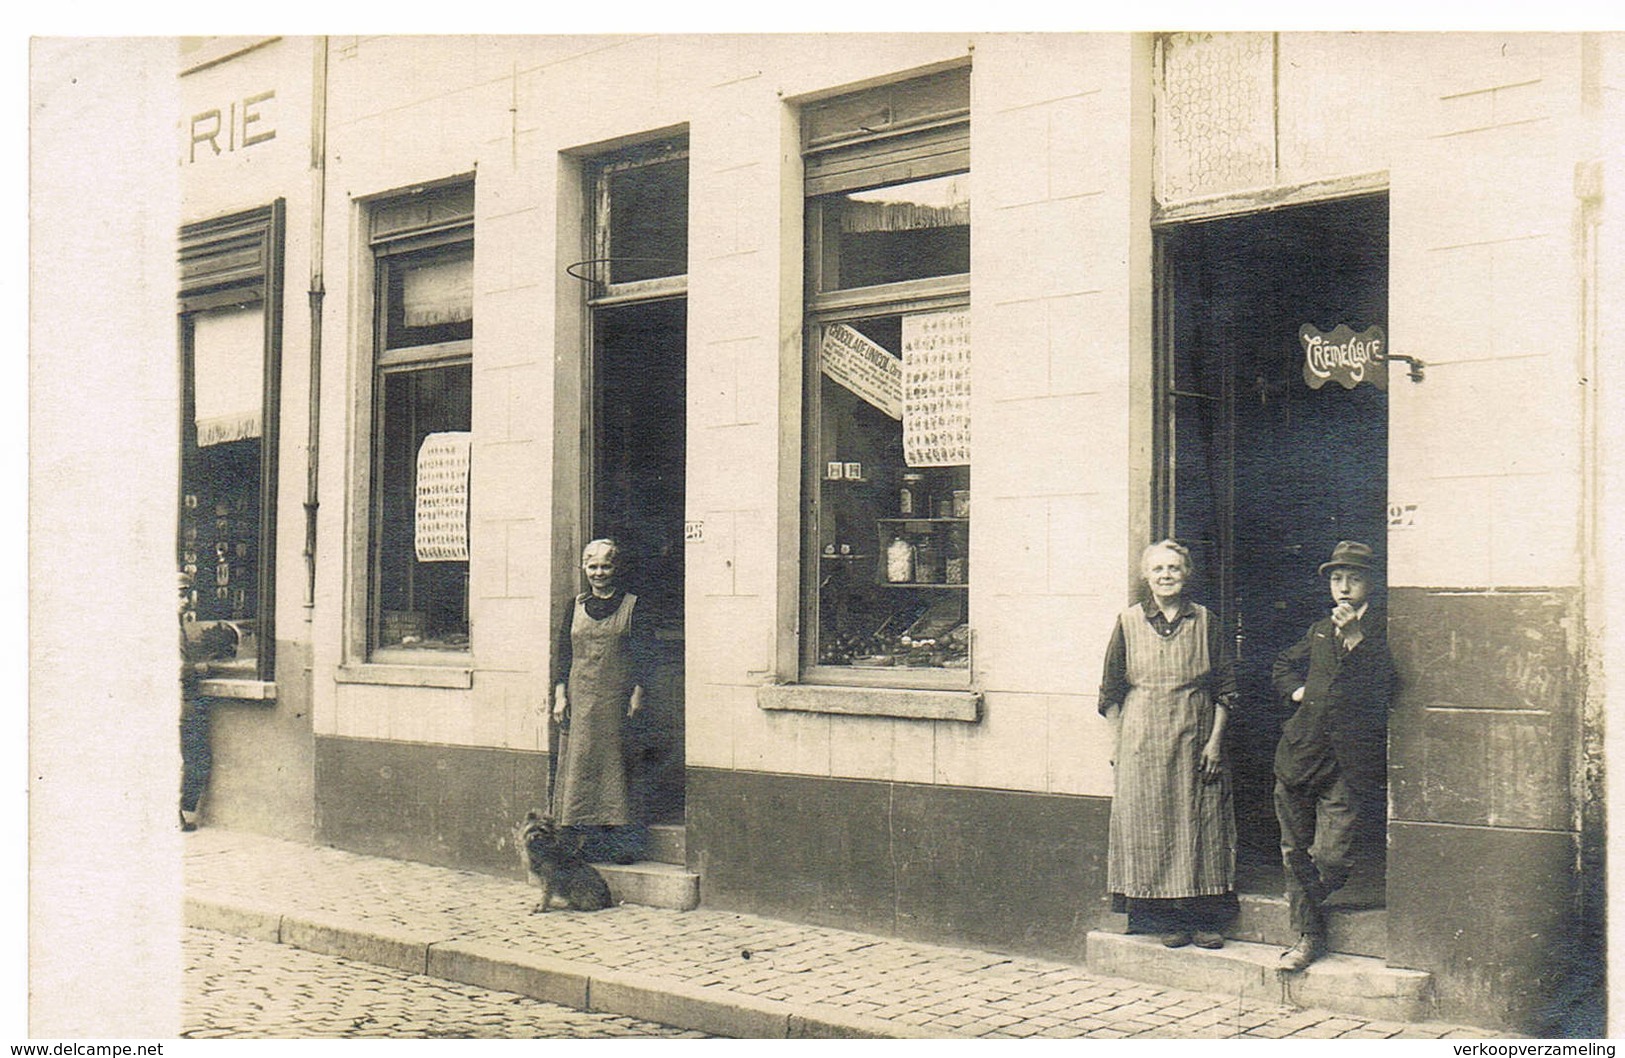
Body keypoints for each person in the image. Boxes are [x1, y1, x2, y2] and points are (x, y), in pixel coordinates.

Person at [1099, 540, 1239, 949]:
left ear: (1186, 573)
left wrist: (1215, 743)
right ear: (1146, 575)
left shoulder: (1205, 621)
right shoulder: (1127, 622)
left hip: (1195, 737)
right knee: (1151, 825)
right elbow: (1110, 691)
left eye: (1174, 568)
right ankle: (1166, 920)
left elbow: (1226, 689)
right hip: (1141, 740)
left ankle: (1203, 921)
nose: (1166, 575)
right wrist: (1117, 743)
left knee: (1201, 826)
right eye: (1158, 568)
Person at [1270, 540, 1396, 971]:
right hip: (1300, 755)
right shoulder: (1319, 630)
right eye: (1337, 579)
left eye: (1354, 579)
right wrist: (1297, 691)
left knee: (1330, 856)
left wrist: (1356, 638)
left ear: (1370, 585)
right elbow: (1282, 665)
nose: (1344, 588)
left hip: (1346, 763)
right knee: (1294, 850)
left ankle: (1309, 903)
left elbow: (1387, 686)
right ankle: (1308, 936)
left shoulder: (1380, 629)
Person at [550, 539, 655, 864]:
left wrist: (638, 692)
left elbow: (644, 653)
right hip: (580, 701)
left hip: (616, 700)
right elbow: (562, 654)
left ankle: (621, 845)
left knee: (615, 767)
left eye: (605, 566)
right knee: (580, 765)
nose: (599, 573)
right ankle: (582, 843)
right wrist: (559, 695)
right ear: (584, 568)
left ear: (616, 568)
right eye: (593, 566)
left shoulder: (632, 606)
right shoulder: (575, 606)